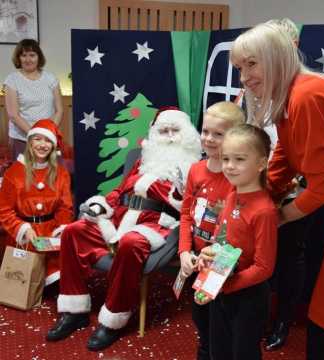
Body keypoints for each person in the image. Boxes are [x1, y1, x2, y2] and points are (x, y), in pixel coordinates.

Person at [230, 21, 324, 359]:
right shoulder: (291, 96)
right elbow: (286, 157)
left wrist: (269, 217)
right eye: (240, 68)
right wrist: (256, 197)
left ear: (275, 57)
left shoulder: (305, 96)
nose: (244, 77)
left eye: (251, 64)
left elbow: (319, 190)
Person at [46, 109, 202, 351]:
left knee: (130, 242)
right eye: (164, 131)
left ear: (188, 134)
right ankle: (74, 310)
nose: (170, 137)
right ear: (154, 133)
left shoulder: (194, 168)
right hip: (121, 217)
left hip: (158, 224)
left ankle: (113, 318)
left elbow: (188, 207)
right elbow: (120, 191)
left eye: (176, 131)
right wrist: (102, 205)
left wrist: (175, 191)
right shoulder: (144, 160)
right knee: (73, 231)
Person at [195, 124, 278, 360]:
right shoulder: (232, 195)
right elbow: (222, 239)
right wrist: (207, 254)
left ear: (261, 163)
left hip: (248, 296)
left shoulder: (264, 211)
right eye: (226, 158)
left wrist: (227, 286)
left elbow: (264, 267)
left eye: (239, 159)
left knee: (243, 353)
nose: (230, 166)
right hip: (220, 286)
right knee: (218, 350)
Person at [179, 101, 245, 360]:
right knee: (201, 320)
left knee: (222, 328)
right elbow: (186, 215)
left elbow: (239, 229)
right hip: (196, 261)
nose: (209, 138)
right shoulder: (196, 170)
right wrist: (184, 252)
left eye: (219, 134)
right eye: (206, 131)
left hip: (223, 265)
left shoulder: (238, 178)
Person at [0, 119, 73, 286]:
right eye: (38, 139)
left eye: (48, 140)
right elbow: (4, 211)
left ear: (53, 146)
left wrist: (61, 230)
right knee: (23, 284)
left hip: (50, 237)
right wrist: (23, 229)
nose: (43, 145)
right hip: (24, 239)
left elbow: (65, 207)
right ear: (30, 142)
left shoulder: (61, 174)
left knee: (59, 284)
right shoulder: (14, 173)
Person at [4, 39, 63, 160]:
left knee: (51, 176)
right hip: (22, 139)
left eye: (32, 55)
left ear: (39, 57)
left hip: (48, 137)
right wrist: (35, 136)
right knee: (25, 178)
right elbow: (13, 115)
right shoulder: (12, 80)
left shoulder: (51, 78)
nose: (28, 59)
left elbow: (59, 110)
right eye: (24, 55)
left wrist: (48, 133)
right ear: (18, 58)